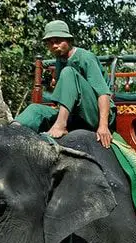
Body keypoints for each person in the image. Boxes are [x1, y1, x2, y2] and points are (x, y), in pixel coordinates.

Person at [15, 20, 114, 148]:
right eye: (50, 43)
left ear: (68, 41)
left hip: (95, 113)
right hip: (75, 115)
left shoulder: (86, 58)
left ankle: (61, 125)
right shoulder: (60, 60)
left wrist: (103, 126)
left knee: (68, 72)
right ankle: (9, 131)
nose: (54, 45)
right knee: (35, 109)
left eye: (58, 41)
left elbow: (103, 94)